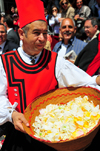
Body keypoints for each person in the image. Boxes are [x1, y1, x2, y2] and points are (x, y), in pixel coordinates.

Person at [1, 0, 100, 151]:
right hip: (19, 138)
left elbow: (83, 83)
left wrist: (96, 80)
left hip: (50, 139)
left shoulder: (55, 61)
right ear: (21, 33)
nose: (43, 38)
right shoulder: (5, 62)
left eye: (45, 33)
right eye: (36, 33)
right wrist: (12, 114)